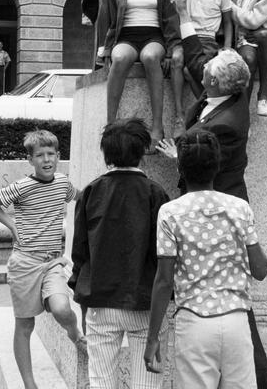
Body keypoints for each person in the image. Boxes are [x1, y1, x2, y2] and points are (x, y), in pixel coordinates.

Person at [156, 0, 267, 389]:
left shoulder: (227, 124)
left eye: (206, 77)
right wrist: (182, 13)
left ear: (216, 85)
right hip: (205, 201)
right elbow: (194, 59)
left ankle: (262, 378)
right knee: (225, 295)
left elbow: (212, 164)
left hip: (225, 204)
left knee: (235, 297)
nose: (201, 76)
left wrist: (179, 158)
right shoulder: (220, 97)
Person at [144, 130, 267, 389]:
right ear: (218, 165)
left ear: (179, 166)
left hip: (194, 323)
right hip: (236, 320)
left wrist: (153, 336)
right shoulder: (239, 208)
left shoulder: (170, 212)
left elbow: (164, 281)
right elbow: (260, 269)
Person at [69, 118, 169, 389]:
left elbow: (79, 251)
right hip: (144, 299)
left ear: (106, 153)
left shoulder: (91, 190)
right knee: (147, 381)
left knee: (100, 380)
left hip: (100, 297)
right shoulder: (155, 193)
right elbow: (163, 253)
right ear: (141, 152)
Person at [0, 130, 86, 389]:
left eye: (51, 154)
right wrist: (12, 225)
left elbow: (84, 197)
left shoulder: (63, 183)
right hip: (24, 263)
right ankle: (30, 385)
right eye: (40, 155)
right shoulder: (22, 187)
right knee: (25, 325)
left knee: (62, 308)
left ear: (59, 156)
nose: (46, 159)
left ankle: (74, 333)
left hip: (52, 263)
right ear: (30, 159)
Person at [104, 0, 180, 151]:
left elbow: (170, 18)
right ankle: (111, 123)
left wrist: (171, 50)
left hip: (153, 35)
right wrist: (107, 49)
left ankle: (157, 126)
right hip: (126, 35)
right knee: (119, 59)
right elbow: (111, 19)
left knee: (150, 57)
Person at [171, 0, 234, 135]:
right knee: (176, 60)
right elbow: (180, 13)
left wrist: (228, 47)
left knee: (190, 71)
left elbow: (228, 22)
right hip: (187, 37)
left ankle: (207, 108)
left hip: (207, 41)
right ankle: (179, 115)